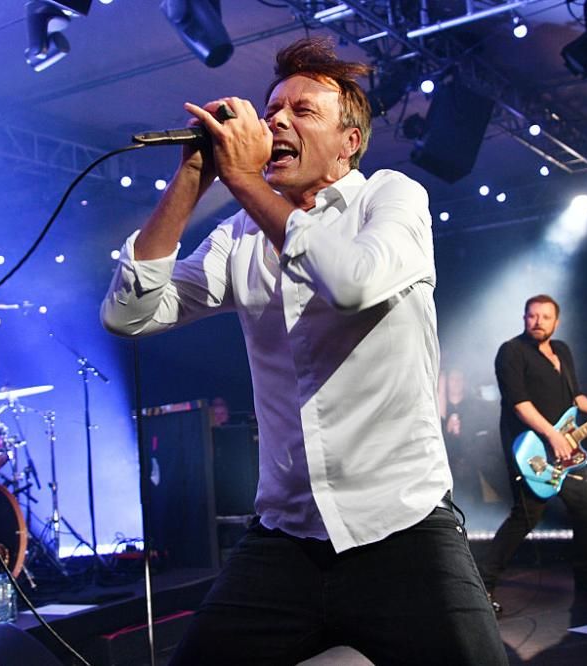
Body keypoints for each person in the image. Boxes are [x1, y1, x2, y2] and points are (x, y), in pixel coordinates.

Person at [101, 37, 505, 665]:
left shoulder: (390, 197)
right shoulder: (239, 235)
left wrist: (241, 179)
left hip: (401, 528)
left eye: (302, 111)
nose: (276, 122)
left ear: (349, 142)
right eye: (271, 111)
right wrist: (192, 178)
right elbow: (129, 315)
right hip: (284, 539)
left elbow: (352, 283)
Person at [479, 295, 587, 613]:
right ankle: (481, 588)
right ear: (524, 318)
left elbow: (576, 397)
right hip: (531, 450)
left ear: (556, 322)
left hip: (567, 450)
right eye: (532, 316)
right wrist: (552, 435)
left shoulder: (562, 350)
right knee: (526, 517)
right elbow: (520, 404)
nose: (538, 322)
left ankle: (586, 582)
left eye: (545, 317)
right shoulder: (511, 351)